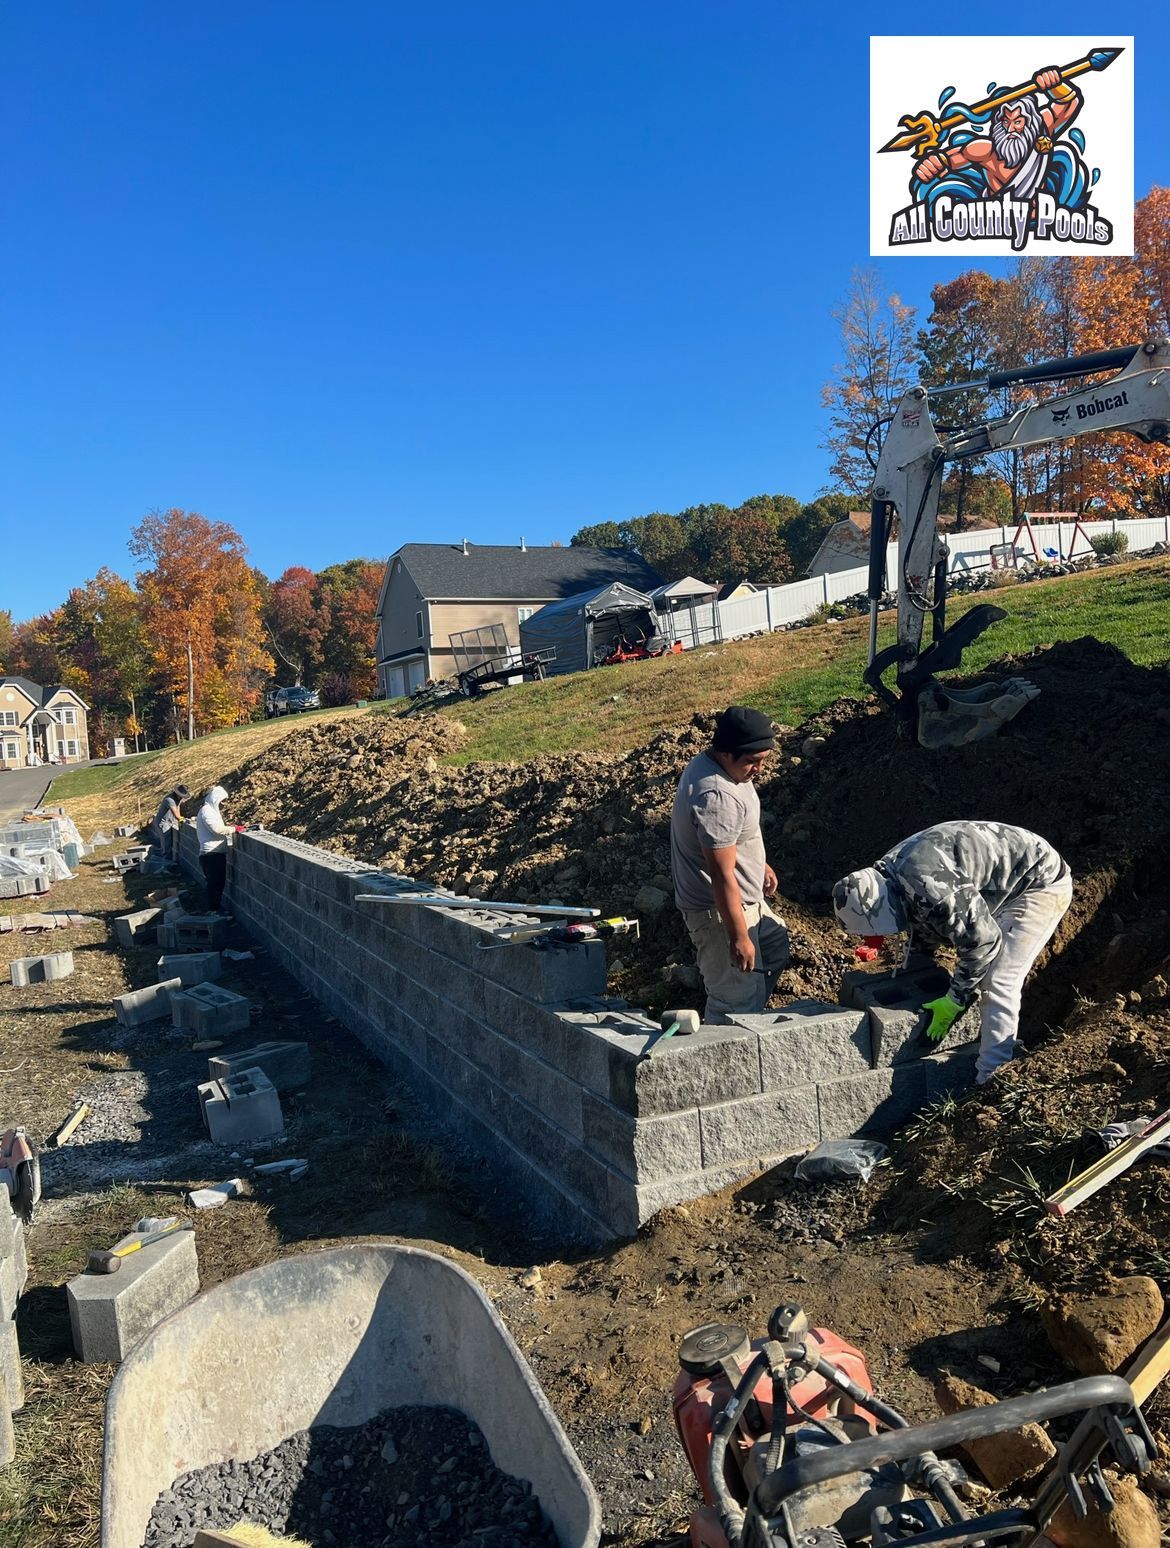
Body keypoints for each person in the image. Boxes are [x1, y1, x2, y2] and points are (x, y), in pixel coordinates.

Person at [832, 820, 1072, 1085]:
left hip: (1039, 882)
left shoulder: (935, 891)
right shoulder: (887, 876)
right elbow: (920, 920)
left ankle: (993, 1076)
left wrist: (955, 1000)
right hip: (995, 880)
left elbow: (984, 943)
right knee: (957, 941)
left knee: (998, 978)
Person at [670, 705, 789, 1020]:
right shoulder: (716, 797)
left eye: (763, 760)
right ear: (725, 753)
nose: (759, 769)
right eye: (752, 761)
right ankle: (726, 1049)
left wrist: (758, 864)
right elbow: (721, 874)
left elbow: (735, 835)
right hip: (718, 915)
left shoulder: (723, 767)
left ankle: (751, 1019)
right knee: (733, 1003)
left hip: (746, 900)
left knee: (775, 946)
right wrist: (738, 936)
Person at [195, 784, 234, 914]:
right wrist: (233, 829)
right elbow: (217, 829)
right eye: (221, 801)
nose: (223, 804)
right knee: (215, 884)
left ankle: (214, 909)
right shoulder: (207, 811)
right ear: (214, 798)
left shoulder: (211, 811)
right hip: (211, 854)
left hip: (214, 853)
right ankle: (213, 911)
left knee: (217, 883)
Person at [149, 785, 190, 863]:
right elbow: (175, 812)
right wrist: (182, 819)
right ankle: (165, 865)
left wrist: (179, 819)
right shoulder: (170, 800)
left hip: (170, 821)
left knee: (169, 844)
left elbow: (178, 808)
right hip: (163, 823)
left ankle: (166, 860)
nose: (182, 798)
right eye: (181, 796)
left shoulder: (178, 799)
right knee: (166, 845)